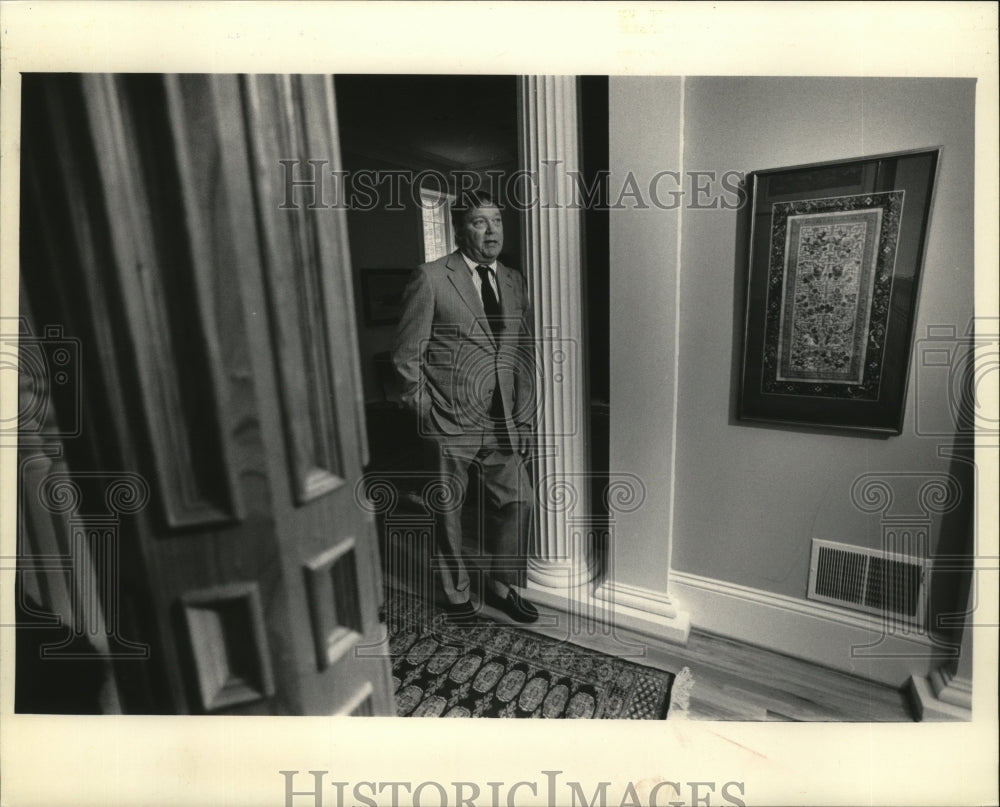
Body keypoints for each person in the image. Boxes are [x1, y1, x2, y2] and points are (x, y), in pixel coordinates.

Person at [392, 191, 538, 624]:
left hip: (505, 422)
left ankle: (500, 585)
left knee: (519, 501)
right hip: (449, 421)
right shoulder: (432, 277)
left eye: (496, 221)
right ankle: (456, 596)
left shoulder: (513, 280)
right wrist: (428, 416)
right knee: (448, 512)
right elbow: (405, 357)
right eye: (479, 222)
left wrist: (526, 416)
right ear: (459, 228)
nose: (491, 230)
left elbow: (521, 354)